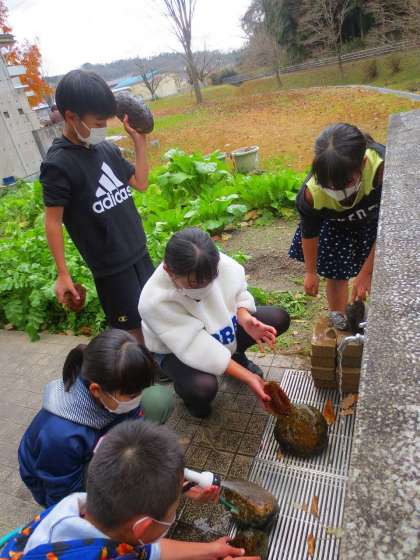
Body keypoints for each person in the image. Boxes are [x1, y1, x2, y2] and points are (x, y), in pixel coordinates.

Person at [4, 421, 259, 560]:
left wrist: (211, 550)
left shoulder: (72, 508)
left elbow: (143, 548)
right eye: (174, 508)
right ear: (142, 527)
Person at [41, 69, 152, 343]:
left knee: (154, 313)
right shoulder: (58, 164)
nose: (103, 129)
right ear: (71, 117)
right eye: (98, 122)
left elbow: (140, 182)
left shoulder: (106, 149)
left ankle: (158, 361)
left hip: (139, 251)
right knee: (132, 332)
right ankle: (140, 368)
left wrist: (140, 143)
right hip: (111, 267)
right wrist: (63, 273)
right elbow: (53, 221)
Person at [139, 227, 291, 418]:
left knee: (278, 318)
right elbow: (196, 347)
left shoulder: (216, 263)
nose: (205, 287)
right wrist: (248, 377)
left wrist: (244, 318)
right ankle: (188, 394)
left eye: (212, 279)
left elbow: (237, 292)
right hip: (176, 350)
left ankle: (235, 356)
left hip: (219, 330)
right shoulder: (154, 301)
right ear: (169, 271)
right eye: (194, 284)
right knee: (202, 387)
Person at [18, 329, 174, 508]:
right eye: (132, 395)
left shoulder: (114, 384)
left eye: (140, 391)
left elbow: (133, 416)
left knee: (157, 400)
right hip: (57, 478)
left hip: (95, 442)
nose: (138, 398)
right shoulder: (61, 436)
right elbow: (63, 496)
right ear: (96, 390)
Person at [288, 123, 385, 326]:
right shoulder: (311, 194)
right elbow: (309, 232)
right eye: (329, 185)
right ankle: (339, 320)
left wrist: (367, 272)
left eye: (346, 183)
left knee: (380, 273)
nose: (337, 190)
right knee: (336, 274)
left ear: (363, 164)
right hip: (335, 226)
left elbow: (388, 231)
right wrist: (310, 272)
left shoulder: (382, 168)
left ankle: (380, 320)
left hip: (375, 224)